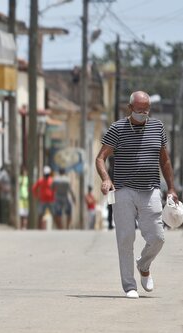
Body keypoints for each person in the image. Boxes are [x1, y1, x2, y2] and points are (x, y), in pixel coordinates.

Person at [96, 91, 179, 299]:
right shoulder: (117, 129)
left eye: (146, 110)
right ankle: (129, 286)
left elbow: (165, 160)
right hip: (123, 190)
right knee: (125, 238)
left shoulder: (157, 127)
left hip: (150, 190)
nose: (143, 113)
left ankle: (144, 264)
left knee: (158, 237)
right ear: (130, 108)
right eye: (139, 110)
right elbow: (100, 158)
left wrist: (171, 188)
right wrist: (106, 179)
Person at [32, 165, 55, 230]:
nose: (46, 176)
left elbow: (55, 189)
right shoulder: (40, 181)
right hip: (43, 200)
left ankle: (55, 228)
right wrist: (36, 196)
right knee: (40, 214)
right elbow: (34, 188)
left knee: (54, 214)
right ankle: (38, 228)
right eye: (45, 174)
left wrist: (54, 196)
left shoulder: (52, 181)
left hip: (51, 200)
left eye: (47, 174)